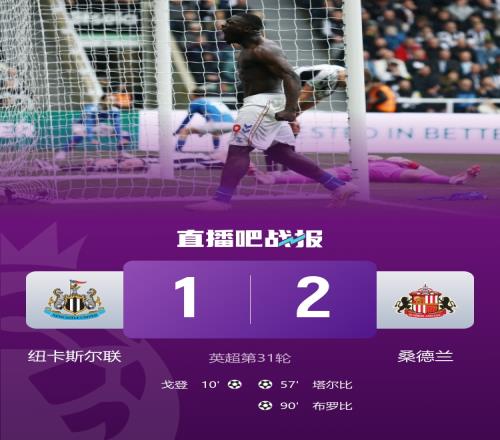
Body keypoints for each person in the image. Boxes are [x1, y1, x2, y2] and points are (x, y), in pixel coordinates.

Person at [187, 13, 358, 211]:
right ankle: (338, 186)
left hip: (262, 105)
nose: (224, 26)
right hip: (266, 104)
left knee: (238, 150)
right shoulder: (251, 49)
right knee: (281, 153)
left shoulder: (263, 49)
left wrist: (291, 110)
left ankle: (220, 201)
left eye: (231, 23)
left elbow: (291, 76)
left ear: (247, 29)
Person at [252, 156, 480, 186]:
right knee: (318, 173)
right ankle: (272, 177)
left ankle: (452, 180)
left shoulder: (397, 161)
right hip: (354, 169)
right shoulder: (370, 156)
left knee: (416, 176)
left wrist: (410, 163)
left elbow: (423, 171)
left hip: (385, 172)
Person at [55, 94, 131, 161]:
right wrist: (91, 138)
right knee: (80, 135)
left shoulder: (115, 110)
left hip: (97, 125)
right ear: (102, 101)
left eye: (113, 100)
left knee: (125, 134)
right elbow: (89, 123)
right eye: (109, 100)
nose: (111, 102)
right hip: (81, 125)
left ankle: (122, 153)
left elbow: (117, 125)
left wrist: (119, 137)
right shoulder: (91, 108)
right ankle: (63, 152)